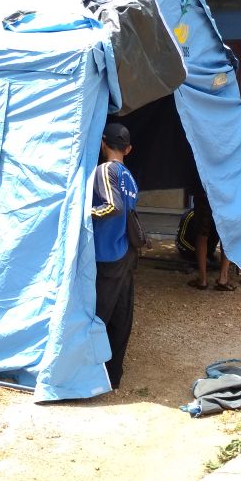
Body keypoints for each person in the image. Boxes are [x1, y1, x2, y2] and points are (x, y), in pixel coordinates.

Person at [91, 122, 139, 389]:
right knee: (121, 315)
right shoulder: (128, 175)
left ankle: (90, 374)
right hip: (125, 251)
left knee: (98, 315)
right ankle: (113, 374)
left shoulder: (105, 169)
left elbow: (113, 206)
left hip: (107, 253)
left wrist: (83, 213)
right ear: (128, 149)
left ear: (102, 143)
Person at [187, 183, 233, 291]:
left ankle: (202, 280)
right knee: (226, 234)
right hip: (226, 193)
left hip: (204, 191)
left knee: (202, 235)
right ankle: (223, 278)